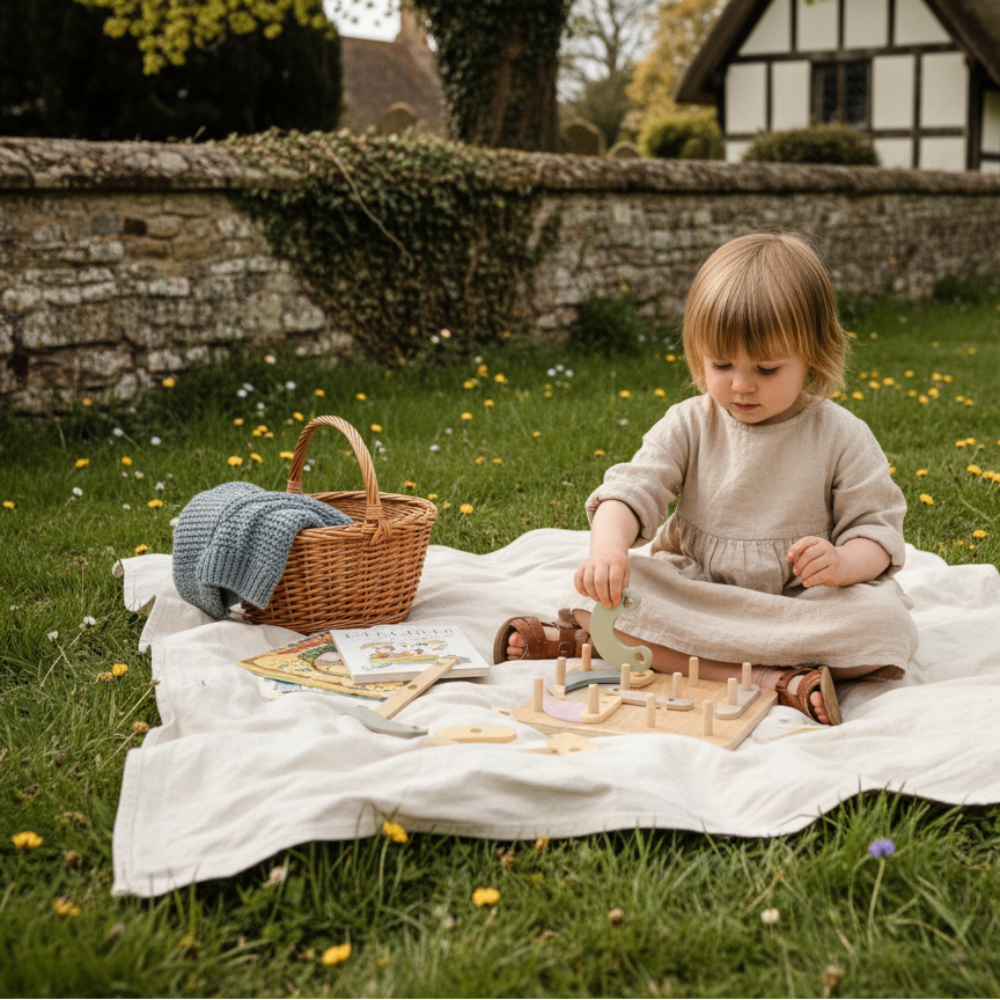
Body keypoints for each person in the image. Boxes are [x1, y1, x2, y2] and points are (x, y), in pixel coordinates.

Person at [495, 233, 918, 725]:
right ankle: (772, 679)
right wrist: (607, 551)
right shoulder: (690, 422)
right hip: (697, 591)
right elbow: (630, 493)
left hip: (795, 603)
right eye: (721, 364)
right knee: (591, 597)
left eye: (765, 368)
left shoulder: (841, 434)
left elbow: (878, 532)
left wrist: (844, 563)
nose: (740, 384)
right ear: (698, 355)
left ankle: (611, 647)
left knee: (883, 627)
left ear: (814, 355)